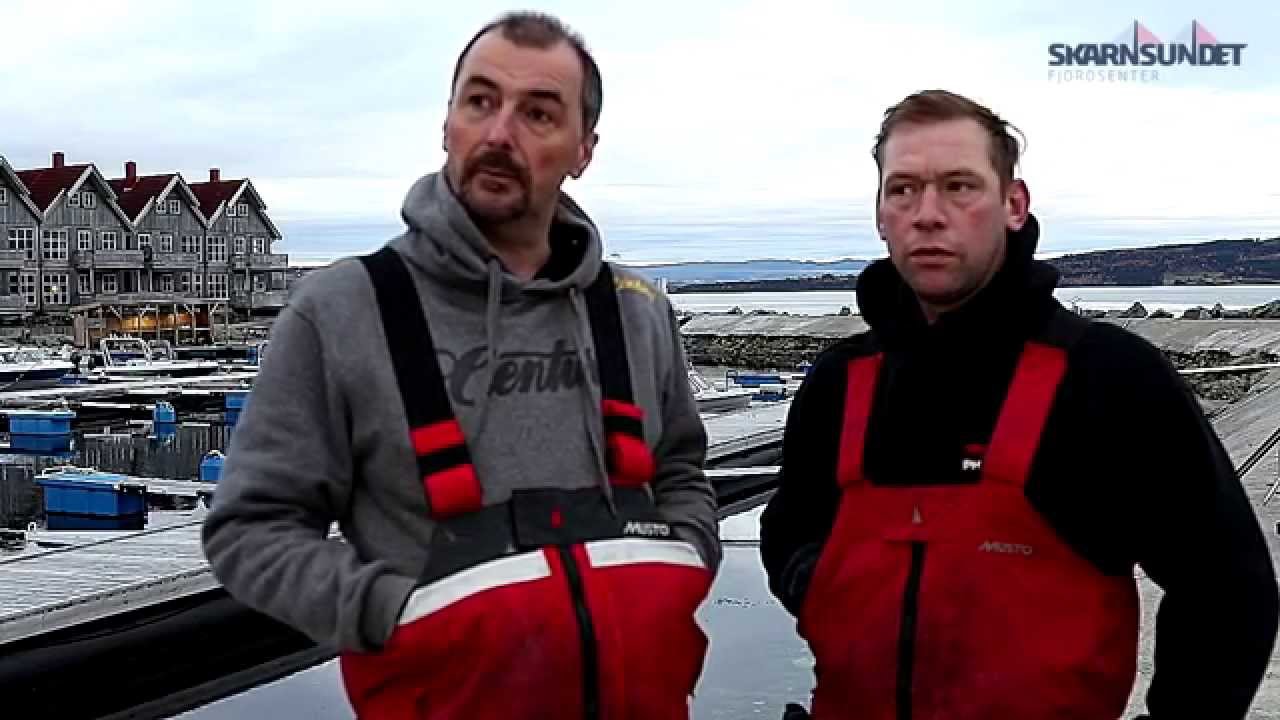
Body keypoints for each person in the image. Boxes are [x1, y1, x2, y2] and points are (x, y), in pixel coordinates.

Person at [202, 11, 719, 719]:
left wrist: (682, 563)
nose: (500, 133)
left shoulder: (636, 310)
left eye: (539, 113)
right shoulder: (341, 311)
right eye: (480, 101)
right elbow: (248, 530)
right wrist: (392, 612)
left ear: (582, 149)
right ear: (447, 123)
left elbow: (683, 472)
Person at [759, 89, 1279, 719]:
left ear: (1013, 204)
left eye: (958, 186)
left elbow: (1227, 590)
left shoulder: (1110, 378)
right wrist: (816, 586)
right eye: (902, 189)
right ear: (880, 214)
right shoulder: (841, 380)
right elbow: (789, 524)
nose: (927, 214)